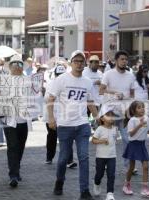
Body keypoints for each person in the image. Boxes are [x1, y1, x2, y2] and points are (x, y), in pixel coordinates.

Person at [48, 50, 98, 199]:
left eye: (81, 61)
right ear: (71, 63)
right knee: (63, 158)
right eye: (76, 61)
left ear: (85, 64)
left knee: (84, 157)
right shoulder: (62, 80)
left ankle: (84, 191)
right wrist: (51, 118)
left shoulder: (87, 82)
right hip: (65, 125)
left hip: (82, 124)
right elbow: (50, 98)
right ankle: (59, 181)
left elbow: (90, 103)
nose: (79, 64)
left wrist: (99, 119)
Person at [0, 55, 29, 188]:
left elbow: (36, 95)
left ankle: (16, 168)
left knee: (20, 146)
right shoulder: (3, 81)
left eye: (19, 65)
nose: (17, 67)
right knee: (12, 146)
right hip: (9, 120)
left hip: (24, 120)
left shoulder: (28, 81)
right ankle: (13, 175)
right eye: (14, 64)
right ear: (10, 67)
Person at [100, 50, 136, 171]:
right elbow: (101, 90)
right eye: (122, 59)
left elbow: (132, 95)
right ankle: (106, 163)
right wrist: (114, 93)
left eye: (126, 59)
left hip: (125, 112)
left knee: (128, 139)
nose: (124, 61)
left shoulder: (130, 75)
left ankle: (128, 165)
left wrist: (130, 107)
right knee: (110, 138)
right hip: (110, 111)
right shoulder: (108, 74)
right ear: (116, 61)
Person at [43, 64, 76, 167]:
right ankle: (49, 157)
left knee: (67, 137)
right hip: (52, 115)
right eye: (58, 74)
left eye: (62, 74)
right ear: (55, 75)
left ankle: (69, 160)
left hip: (64, 116)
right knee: (52, 138)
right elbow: (46, 99)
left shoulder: (68, 83)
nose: (60, 76)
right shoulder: (50, 84)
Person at [122, 101, 149, 197]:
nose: (142, 109)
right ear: (133, 110)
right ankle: (126, 185)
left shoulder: (146, 118)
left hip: (142, 145)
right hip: (133, 145)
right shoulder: (132, 120)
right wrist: (139, 125)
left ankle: (145, 188)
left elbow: (148, 131)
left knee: (146, 166)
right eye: (139, 107)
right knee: (131, 168)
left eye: (143, 107)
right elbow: (131, 133)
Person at [92, 105, 118, 200]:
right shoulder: (99, 129)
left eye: (112, 116)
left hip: (112, 156)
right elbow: (93, 141)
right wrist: (101, 141)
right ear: (102, 118)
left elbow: (115, 139)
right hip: (100, 156)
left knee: (111, 175)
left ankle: (110, 193)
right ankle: (96, 183)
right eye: (108, 115)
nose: (111, 117)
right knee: (100, 173)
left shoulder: (115, 128)